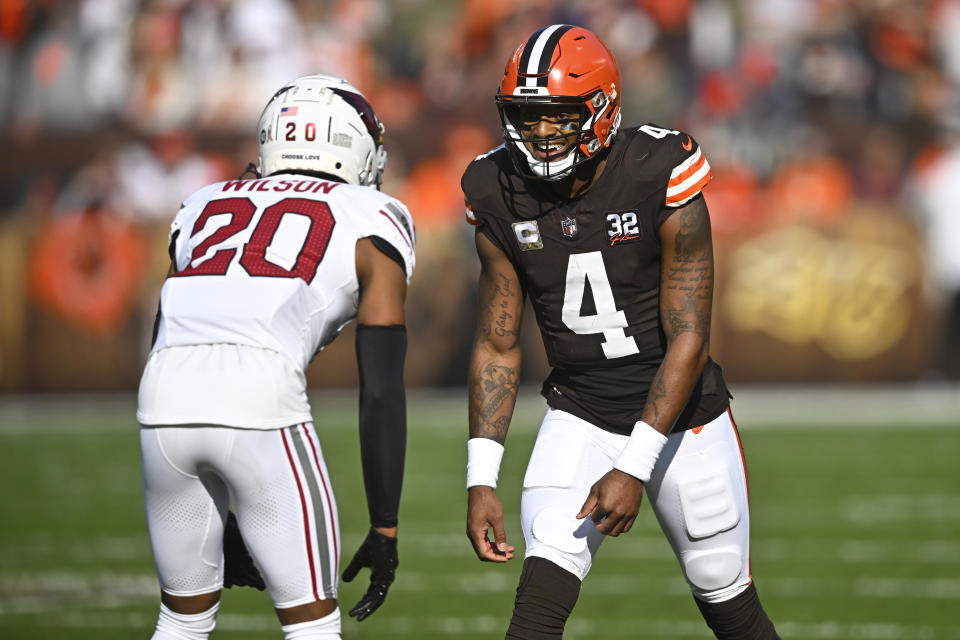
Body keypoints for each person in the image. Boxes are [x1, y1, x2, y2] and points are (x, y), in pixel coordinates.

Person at [462, 25, 780, 639]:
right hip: (581, 413)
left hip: (685, 420)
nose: (541, 133)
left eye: (558, 116)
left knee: (727, 597)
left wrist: (634, 467)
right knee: (538, 600)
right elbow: (497, 343)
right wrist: (481, 477)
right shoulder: (495, 190)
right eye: (527, 118)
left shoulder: (657, 168)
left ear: (602, 109)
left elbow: (689, 335)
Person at [137, 74, 415, 640]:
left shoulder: (200, 204)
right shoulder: (373, 215)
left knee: (181, 620)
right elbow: (381, 386)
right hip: (260, 391)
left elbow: (167, 323)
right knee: (311, 624)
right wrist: (384, 525)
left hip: (162, 391)